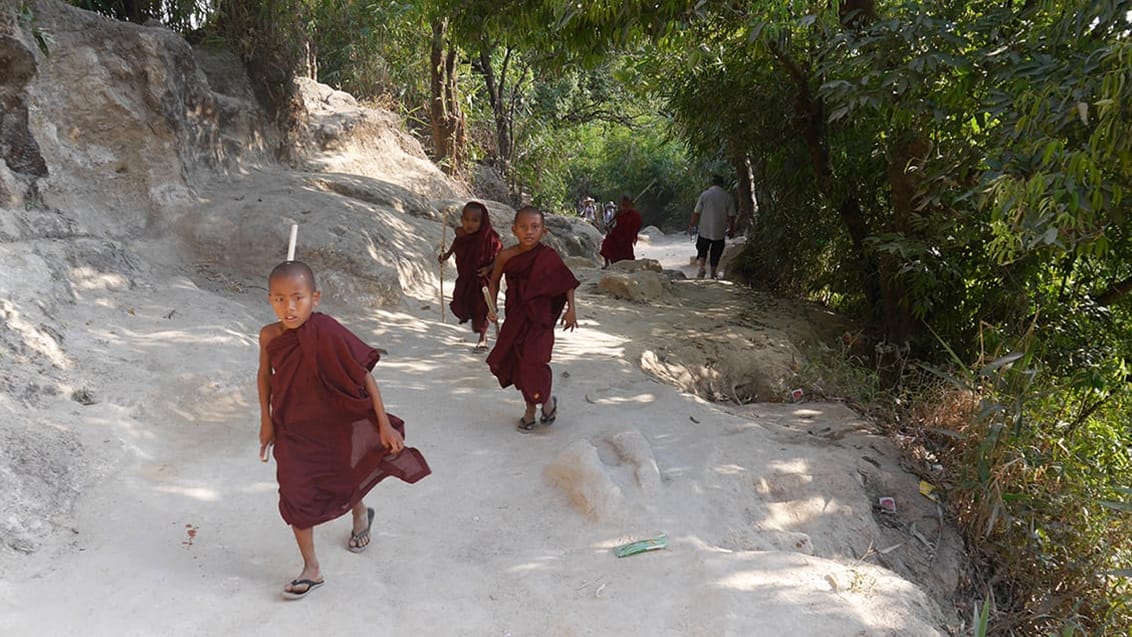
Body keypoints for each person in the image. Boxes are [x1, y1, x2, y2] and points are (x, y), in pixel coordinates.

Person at [257, 261, 431, 600]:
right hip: (292, 427)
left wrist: (383, 425)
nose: (289, 307)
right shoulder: (269, 336)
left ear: (315, 298)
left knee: (343, 474)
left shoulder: (327, 331)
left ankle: (360, 512)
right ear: (269, 300)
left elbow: (365, 374)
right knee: (295, 491)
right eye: (279, 299)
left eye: (297, 298)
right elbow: (264, 376)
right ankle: (312, 569)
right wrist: (266, 420)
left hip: (333, 421)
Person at [485, 206, 580, 432]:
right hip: (516, 317)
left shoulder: (548, 256)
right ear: (514, 229)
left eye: (535, 227)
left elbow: (566, 282)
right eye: (524, 227)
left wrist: (571, 310)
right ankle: (537, 406)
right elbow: (494, 281)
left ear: (544, 231)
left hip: (541, 318)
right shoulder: (506, 256)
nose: (529, 232)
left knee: (534, 362)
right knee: (519, 362)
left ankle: (538, 406)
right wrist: (491, 306)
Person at [438, 201, 503, 352]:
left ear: (483, 221)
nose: (469, 224)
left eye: (475, 220)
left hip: (483, 279)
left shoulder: (490, 237)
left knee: (481, 308)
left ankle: (483, 337)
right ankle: (481, 330)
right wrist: (445, 256)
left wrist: (488, 268)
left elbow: (500, 257)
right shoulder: (461, 236)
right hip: (466, 278)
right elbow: (456, 245)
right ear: (461, 220)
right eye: (466, 219)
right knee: (464, 302)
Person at [689, 174, 736, 279]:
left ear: (712, 183)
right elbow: (731, 215)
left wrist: (691, 224)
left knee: (702, 248)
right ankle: (713, 273)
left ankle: (701, 268)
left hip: (704, 228)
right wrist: (732, 229)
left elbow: (696, 212)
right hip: (719, 230)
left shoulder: (705, 195)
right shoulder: (727, 196)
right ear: (722, 184)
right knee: (716, 251)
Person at [599, 195, 643, 268]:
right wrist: (607, 227)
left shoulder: (635, 215)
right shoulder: (619, 213)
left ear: (631, 205)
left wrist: (634, 236)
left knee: (626, 251)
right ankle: (606, 264)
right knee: (607, 243)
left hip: (627, 237)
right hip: (617, 234)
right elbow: (611, 223)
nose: (625, 207)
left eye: (627, 205)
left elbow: (637, 226)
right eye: (623, 205)